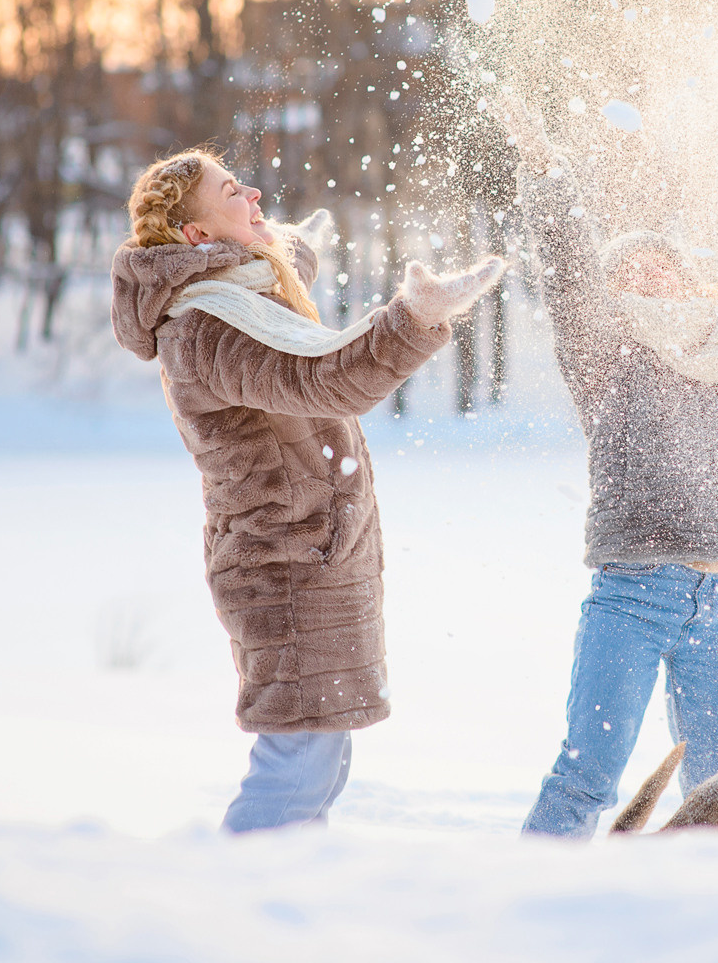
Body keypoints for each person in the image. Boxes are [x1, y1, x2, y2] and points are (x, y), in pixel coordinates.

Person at [111, 148, 503, 833]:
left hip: (312, 558)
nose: (253, 193)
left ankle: (290, 886)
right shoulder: (208, 328)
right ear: (196, 235)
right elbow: (322, 379)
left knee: (322, 759)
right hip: (285, 568)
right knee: (300, 762)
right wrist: (413, 319)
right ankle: (243, 882)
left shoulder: (240, 291)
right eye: (232, 192)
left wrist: (296, 242)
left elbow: (275, 261)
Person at [494, 95, 718, 839]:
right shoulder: (605, 354)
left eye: (663, 265)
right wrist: (545, 168)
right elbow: (567, 268)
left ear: (689, 281)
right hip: (633, 593)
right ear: (613, 294)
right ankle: (530, 886)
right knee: (588, 775)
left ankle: (706, 900)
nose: (650, 275)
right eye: (629, 271)